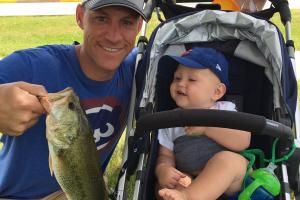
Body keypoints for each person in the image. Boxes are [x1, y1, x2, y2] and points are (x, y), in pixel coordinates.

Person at [0, 0, 146, 198]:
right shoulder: (31, 66)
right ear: (80, 16)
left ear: (138, 27)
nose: (114, 36)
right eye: (101, 19)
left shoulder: (136, 69)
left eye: (127, 22)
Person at [155, 47, 251, 200]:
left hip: (232, 185)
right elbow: (165, 154)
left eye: (191, 80)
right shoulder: (170, 120)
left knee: (227, 160)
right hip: (191, 180)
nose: (181, 84)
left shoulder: (224, 111)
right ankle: (183, 194)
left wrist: (207, 128)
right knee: (166, 186)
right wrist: (163, 169)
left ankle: (188, 196)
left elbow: (243, 140)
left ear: (217, 92)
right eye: (177, 78)